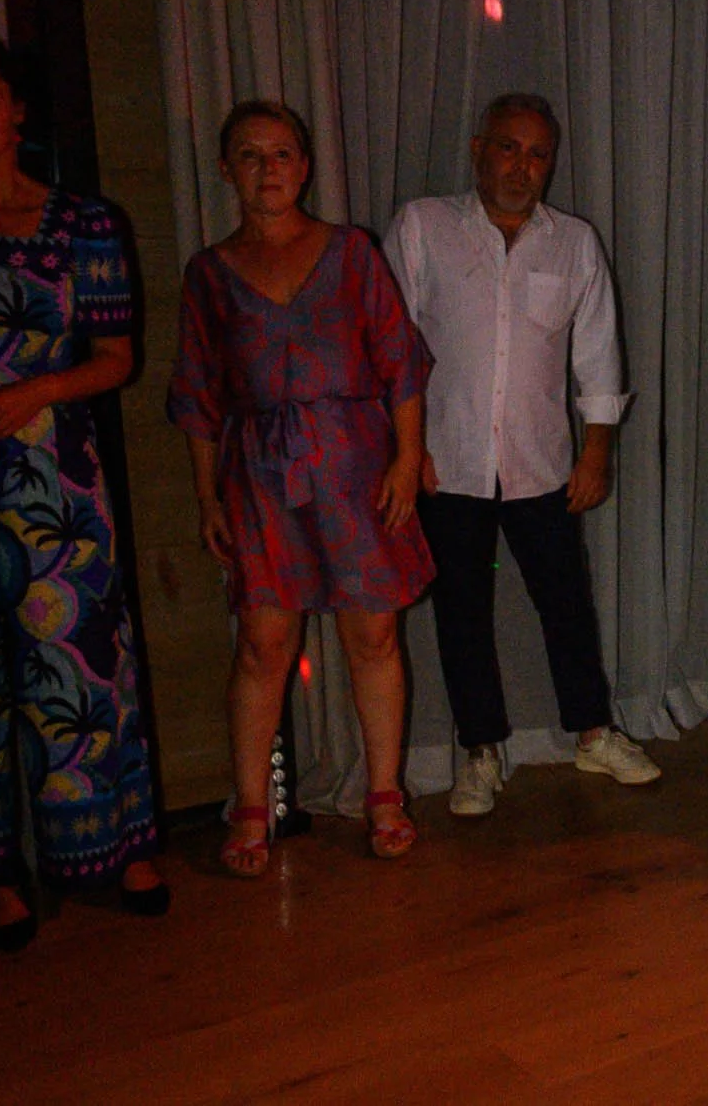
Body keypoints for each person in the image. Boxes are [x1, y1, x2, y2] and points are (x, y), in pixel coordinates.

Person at [169, 100, 433, 875]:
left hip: (356, 464)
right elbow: (196, 396)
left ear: (305, 166)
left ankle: (384, 793)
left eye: (281, 154)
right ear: (227, 170)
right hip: (257, 474)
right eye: (249, 156)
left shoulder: (352, 253)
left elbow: (401, 363)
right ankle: (251, 807)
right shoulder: (209, 274)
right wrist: (207, 497)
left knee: (373, 635)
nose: (268, 169)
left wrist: (407, 460)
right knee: (263, 642)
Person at [383, 94, 654, 816]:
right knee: (462, 612)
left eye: (537, 154)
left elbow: (598, 356)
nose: (522, 166)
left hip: (541, 463)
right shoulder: (423, 228)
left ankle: (593, 732)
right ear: (479, 148)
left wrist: (596, 452)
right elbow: (389, 348)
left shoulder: (574, 243)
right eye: (509, 148)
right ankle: (480, 751)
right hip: (448, 460)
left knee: (567, 604)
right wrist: (408, 451)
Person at [0, 36, 164, 949]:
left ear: (15, 109)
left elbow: (118, 358)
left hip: (56, 478)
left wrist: (29, 393)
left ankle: (121, 846)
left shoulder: (86, 222)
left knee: (85, 667)